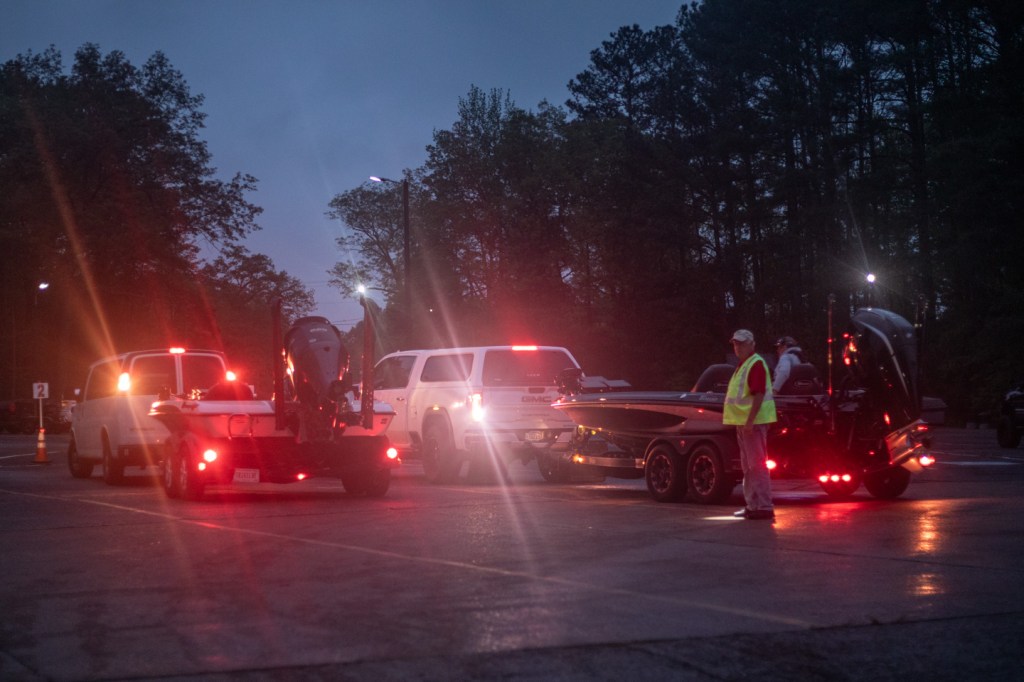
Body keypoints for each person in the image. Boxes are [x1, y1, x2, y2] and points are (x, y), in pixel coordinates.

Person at [724, 329, 778, 520]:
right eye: (735, 344)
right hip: (745, 424)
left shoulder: (755, 363)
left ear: (751, 344)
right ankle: (753, 505)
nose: (737, 347)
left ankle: (763, 505)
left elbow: (759, 393)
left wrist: (749, 421)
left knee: (756, 466)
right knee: (749, 467)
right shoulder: (744, 364)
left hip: (752, 424)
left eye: (741, 343)